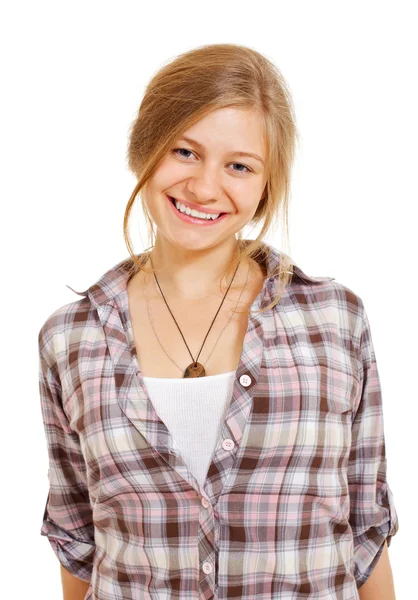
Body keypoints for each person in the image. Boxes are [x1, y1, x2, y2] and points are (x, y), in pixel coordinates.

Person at [38, 43, 399, 600]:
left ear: (264, 185)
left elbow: (366, 532)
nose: (205, 188)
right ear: (144, 150)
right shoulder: (72, 338)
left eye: (238, 166)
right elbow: (77, 543)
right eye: (185, 151)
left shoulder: (335, 321)